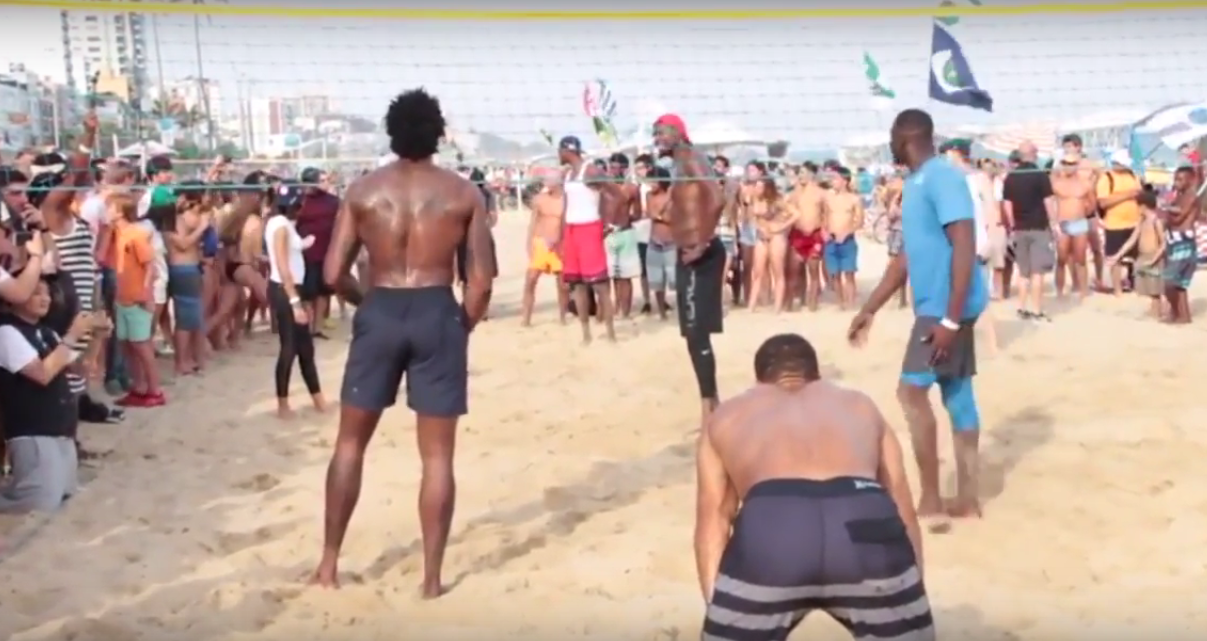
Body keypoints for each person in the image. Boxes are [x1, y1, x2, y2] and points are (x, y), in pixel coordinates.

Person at [313, 88, 496, 597]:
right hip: (437, 307)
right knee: (437, 458)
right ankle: (431, 579)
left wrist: (367, 301)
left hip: (383, 305)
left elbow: (332, 273)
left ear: (392, 133)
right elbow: (480, 281)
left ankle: (328, 566)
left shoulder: (364, 190)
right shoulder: (463, 193)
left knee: (350, 443)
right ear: (438, 134)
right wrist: (462, 324)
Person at [695, 333, 932, 641]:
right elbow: (901, 506)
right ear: (816, 375)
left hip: (774, 526)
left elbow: (713, 520)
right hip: (862, 519)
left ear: (760, 380)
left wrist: (721, 610)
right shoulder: (861, 405)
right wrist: (909, 592)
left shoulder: (726, 416)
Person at [849, 109, 989, 522]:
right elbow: (907, 257)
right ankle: (967, 500)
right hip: (940, 306)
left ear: (906, 136)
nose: (889, 144)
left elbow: (964, 244)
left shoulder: (943, 176)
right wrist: (869, 308)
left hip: (945, 307)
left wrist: (949, 319)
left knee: (911, 393)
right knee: (955, 391)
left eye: (892, 136)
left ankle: (932, 498)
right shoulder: (915, 183)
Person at [0, 280, 99, 513]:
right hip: (32, 430)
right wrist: (72, 336)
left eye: (47, 293)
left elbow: (82, 369)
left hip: (60, 430)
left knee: (63, 493)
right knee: (40, 500)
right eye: (36, 293)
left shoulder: (48, 333)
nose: (45, 298)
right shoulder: (6, 333)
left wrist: (97, 337)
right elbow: (41, 374)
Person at [653, 113, 725, 425]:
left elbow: (718, 198)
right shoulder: (680, 166)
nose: (657, 139)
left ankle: (711, 407)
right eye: (655, 133)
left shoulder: (692, 158)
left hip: (701, 253)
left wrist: (703, 242)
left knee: (697, 333)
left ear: (678, 133)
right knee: (692, 335)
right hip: (687, 251)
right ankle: (710, 403)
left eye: (662, 133)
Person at [265, 183, 326, 418]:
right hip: (286, 289)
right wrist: (294, 302)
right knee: (290, 348)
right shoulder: (280, 226)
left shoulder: (280, 223)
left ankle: (317, 398)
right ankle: (282, 403)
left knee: (305, 348)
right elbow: (282, 264)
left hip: (290, 288)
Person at [557, 136, 615, 343]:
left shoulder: (590, 171)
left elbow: (614, 194)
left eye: (560, 150)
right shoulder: (568, 174)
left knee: (600, 285)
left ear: (568, 151)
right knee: (576, 285)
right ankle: (586, 333)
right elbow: (566, 208)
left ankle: (610, 333)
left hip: (590, 227)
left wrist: (608, 223)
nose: (558, 154)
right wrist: (561, 237)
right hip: (572, 229)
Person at [110, 193, 166, 407]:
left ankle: (155, 389)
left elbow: (151, 266)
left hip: (136, 299)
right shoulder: (118, 234)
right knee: (129, 346)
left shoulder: (135, 234)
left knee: (142, 346)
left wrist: (145, 292)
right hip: (123, 298)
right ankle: (139, 387)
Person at [1001, 141, 1055, 320]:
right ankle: (1037, 310)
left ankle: (1021, 307)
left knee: (1023, 271)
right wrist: (1054, 224)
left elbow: (1007, 204)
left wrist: (1012, 224)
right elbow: (1048, 202)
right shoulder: (1040, 175)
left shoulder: (1011, 177)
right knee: (1037, 272)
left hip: (1020, 228)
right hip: (1039, 226)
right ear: (1034, 153)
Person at [163, 183, 210, 375]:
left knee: (192, 318)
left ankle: (187, 358)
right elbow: (182, 244)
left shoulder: (179, 218)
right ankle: (180, 361)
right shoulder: (175, 220)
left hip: (188, 268)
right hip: (182, 269)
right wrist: (202, 228)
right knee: (185, 319)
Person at [295, 167, 340, 338]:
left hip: (326, 252)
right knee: (306, 293)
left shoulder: (334, 201)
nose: (325, 183)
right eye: (321, 180)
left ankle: (317, 328)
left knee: (322, 292)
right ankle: (305, 326)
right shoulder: (300, 201)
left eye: (326, 180)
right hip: (305, 254)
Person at [520, 168, 569, 326]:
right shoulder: (540, 199)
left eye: (548, 180)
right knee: (531, 280)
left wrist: (560, 241)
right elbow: (533, 222)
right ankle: (526, 319)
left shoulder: (566, 200)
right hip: (540, 241)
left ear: (557, 182)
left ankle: (562, 317)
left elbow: (567, 224)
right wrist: (529, 243)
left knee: (562, 283)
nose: (546, 183)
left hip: (559, 244)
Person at [1107, 191, 1165, 319]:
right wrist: (1117, 256)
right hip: (1143, 256)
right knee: (1147, 287)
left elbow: (1163, 243)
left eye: (1138, 206)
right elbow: (1132, 240)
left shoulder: (1156, 221)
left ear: (1143, 206)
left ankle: (1158, 312)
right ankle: (1154, 310)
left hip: (1153, 257)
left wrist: (1155, 259)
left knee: (1155, 288)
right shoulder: (1142, 221)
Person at [1097, 150, 1144, 296]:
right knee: (1114, 257)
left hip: (1134, 222)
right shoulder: (1106, 178)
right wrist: (1127, 195)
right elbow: (1103, 202)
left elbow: (1140, 195)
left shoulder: (1133, 175)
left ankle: (1134, 284)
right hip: (1114, 224)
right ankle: (1117, 289)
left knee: (1135, 257)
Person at [604, 153, 643, 319]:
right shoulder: (604, 187)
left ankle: (625, 312)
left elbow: (638, 212)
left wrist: (625, 221)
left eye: (616, 167)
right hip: (608, 234)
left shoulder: (632, 188)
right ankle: (616, 307)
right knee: (612, 275)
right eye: (611, 167)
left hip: (625, 232)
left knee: (625, 276)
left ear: (625, 169)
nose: (613, 171)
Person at [1160, 166, 1200, 323]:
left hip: (1183, 242)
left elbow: (1179, 217)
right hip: (1175, 240)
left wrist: (1165, 210)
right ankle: (1182, 315)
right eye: (1175, 179)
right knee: (1179, 285)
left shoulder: (1191, 196)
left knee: (1169, 282)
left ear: (1190, 180)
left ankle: (1177, 312)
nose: (1176, 183)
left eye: (1180, 179)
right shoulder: (1179, 196)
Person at [822, 166, 865, 310]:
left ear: (845, 181)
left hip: (847, 240)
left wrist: (847, 233)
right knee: (834, 274)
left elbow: (859, 221)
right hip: (831, 239)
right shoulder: (829, 197)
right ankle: (840, 303)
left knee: (849, 273)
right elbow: (825, 216)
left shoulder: (854, 199)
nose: (833, 181)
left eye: (836, 178)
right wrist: (824, 231)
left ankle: (851, 303)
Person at [784, 162, 825, 311]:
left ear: (811, 174)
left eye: (803, 172)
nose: (801, 176)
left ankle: (812, 304)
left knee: (813, 271)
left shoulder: (821, 193)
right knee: (794, 271)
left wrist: (825, 230)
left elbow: (827, 213)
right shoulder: (794, 193)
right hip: (798, 235)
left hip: (814, 235)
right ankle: (793, 302)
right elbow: (784, 209)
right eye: (799, 173)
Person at [644, 166, 677, 320]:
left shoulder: (673, 196)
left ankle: (682, 308)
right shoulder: (649, 196)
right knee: (657, 281)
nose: (650, 184)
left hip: (671, 242)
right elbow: (651, 214)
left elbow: (673, 219)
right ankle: (662, 312)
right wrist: (661, 214)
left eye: (654, 180)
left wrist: (660, 216)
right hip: (654, 242)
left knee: (675, 280)